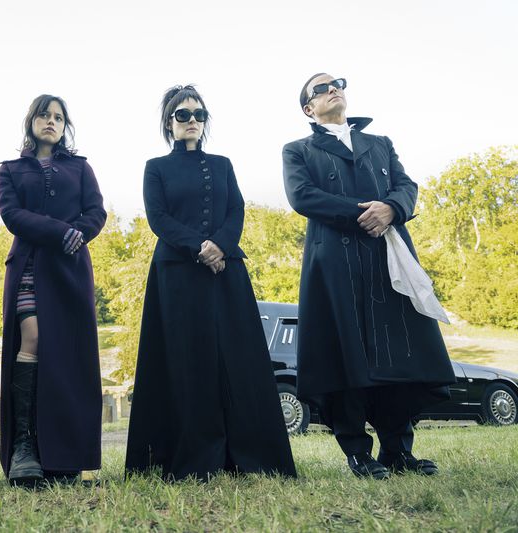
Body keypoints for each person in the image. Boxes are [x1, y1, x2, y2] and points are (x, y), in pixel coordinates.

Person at [282, 73, 456, 479]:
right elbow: (302, 196)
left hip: (388, 259)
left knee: (399, 352)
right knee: (346, 356)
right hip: (335, 264)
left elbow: (406, 185)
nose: (333, 89)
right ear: (309, 109)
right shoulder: (298, 149)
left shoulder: (380, 144)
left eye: (337, 82)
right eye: (321, 88)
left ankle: (398, 450)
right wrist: (365, 214)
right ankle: (358, 453)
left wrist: (392, 209)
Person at [125, 85, 297, 481]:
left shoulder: (222, 164)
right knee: (188, 361)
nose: (192, 121)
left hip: (226, 271)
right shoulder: (156, 167)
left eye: (199, 115)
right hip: (178, 274)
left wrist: (220, 246)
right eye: (183, 115)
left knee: (237, 360)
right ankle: (193, 456)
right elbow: (159, 218)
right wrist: (198, 247)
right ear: (170, 123)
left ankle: (247, 455)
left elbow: (236, 208)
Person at [0, 95, 107, 486]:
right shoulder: (9, 169)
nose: (51, 122)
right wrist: (62, 231)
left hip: (70, 269)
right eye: (45, 115)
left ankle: (63, 455)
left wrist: (79, 234)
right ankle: (24, 447)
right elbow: (12, 215)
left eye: (58, 117)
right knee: (35, 337)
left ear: (65, 126)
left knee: (65, 353)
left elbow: (96, 212)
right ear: (32, 122)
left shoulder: (80, 167)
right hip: (28, 264)